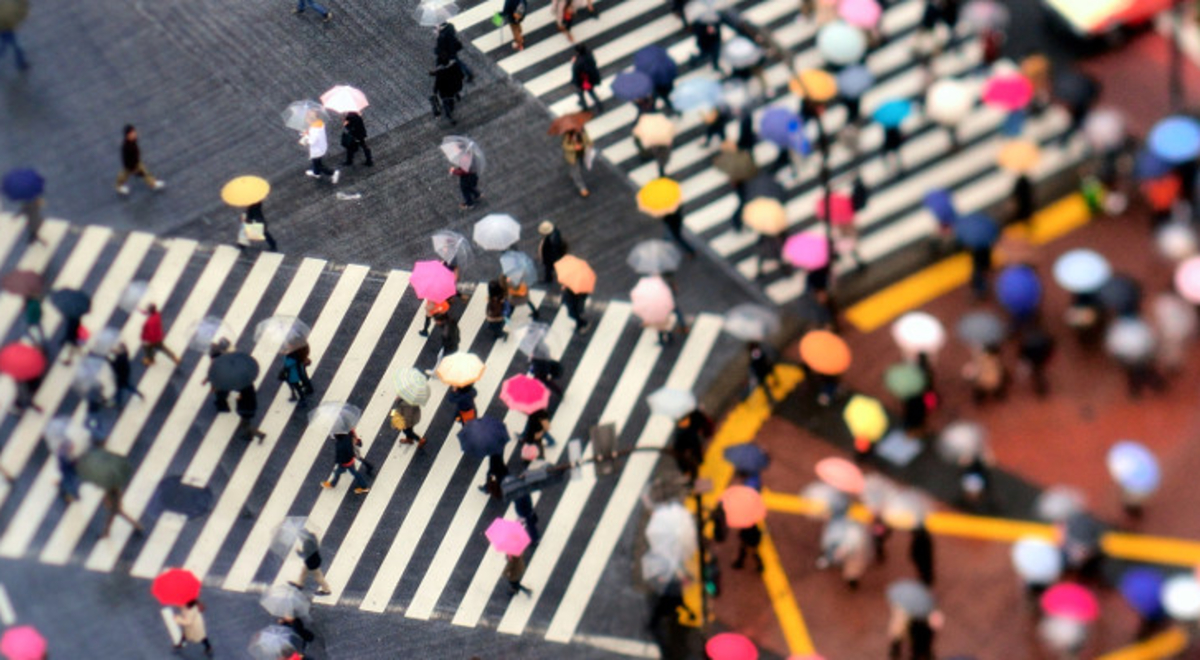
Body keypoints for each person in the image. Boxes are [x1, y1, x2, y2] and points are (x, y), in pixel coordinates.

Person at [115, 125, 165, 196]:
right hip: (131, 165)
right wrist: (132, 167)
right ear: (127, 136)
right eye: (132, 133)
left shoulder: (133, 141)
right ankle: (119, 186)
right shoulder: (126, 147)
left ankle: (152, 183)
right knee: (124, 175)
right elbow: (126, 159)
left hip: (136, 162)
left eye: (134, 132)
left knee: (145, 172)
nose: (135, 134)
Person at [290, 529, 333, 595]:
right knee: (303, 572)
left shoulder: (307, 543)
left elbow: (305, 554)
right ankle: (299, 584)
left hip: (312, 561)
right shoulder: (312, 537)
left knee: (318, 576)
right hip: (314, 559)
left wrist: (298, 552)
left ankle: (326, 590)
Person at [302, 119, 340, 184]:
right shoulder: (319, 123)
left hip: (317, 150)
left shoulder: (314, 130)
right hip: (321, 146)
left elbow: (312, 141)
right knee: (316, 162)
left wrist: (306, 136)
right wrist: (308, 132)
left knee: (318, 164)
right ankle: (316, 173)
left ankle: (333, 173)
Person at [431, 55, 465, 126]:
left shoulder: (440, 72)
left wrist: (435, 91)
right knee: (449, 103)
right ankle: (450, 116)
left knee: (447, 103)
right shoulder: (451, 68)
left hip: (444, 90)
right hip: (450, 89)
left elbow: (437, 82)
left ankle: (449, 115)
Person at [561, 128, 593, 198]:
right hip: (573, 156)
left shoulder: (582, 130)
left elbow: (586, 137)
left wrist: (590, 143)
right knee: (577, 172)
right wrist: (574, 147)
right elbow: (565, 146)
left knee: (580, 166)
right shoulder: (567, 135)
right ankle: (582, 188)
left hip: (582, 153)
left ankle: (572, 173)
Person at [570, 44, 603, 111]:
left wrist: (574, 62)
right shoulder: (589, 54)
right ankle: (598, 104)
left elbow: (576, 71)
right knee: (590, 92)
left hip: (583, 80)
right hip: (591, 78)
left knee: (582, 93)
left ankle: (585, 106)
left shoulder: (578, 62)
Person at [0, 0, 29, 71]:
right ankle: (21, 63)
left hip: (5, 27)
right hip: (6, 28)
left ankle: (21, 63)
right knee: (13, 47)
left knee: (8, 46)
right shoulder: (13, 7)